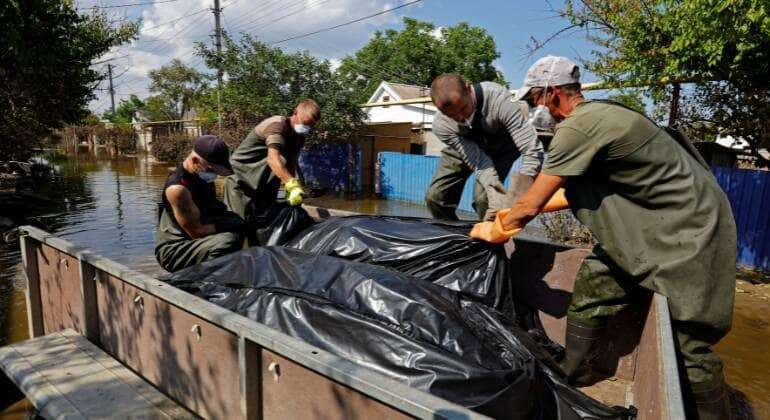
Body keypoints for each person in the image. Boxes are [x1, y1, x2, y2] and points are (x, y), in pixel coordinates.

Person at [471, 56, 737, 420]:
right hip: (647, 223)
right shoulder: (593, 118)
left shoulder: (578, 129)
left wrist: (496, 228)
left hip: (689, 226)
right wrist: (511, 214)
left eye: (534, 99)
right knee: (595, 279)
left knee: (687, 339)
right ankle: (577, 371)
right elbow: (563, 194)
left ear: (551, 94)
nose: (533, 108)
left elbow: (532, 204)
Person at [426, 74, 544, 221]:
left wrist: (519, 196)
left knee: (484, 199)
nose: (461, 117)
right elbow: (478, 160)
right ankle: (455, 237)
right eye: (453, 115)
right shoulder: (442, 125)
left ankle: (493, 238)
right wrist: (490, 183)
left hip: (502, 143)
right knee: (435, 197)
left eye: (463, 108)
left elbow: (531, 148)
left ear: (469, 89)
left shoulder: (498, 99)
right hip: (465, 144)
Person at [155, 135, 246, 272]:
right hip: (175, 249)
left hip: (197, 240)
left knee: (240, 225)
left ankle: (224, 273)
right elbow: (196, 232)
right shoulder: (178, 189)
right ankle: (203, 282)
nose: (214, 175)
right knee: (228, 241)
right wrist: (228, 224)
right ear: (195, 160)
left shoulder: (201, 176)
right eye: (211, 170)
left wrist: (239, 222)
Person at [224, 99, 320, 222]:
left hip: (263, 183)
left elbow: (290, 163)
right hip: (241, 179)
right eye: (304, 123)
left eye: (310, 126)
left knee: (263, 223)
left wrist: (291, 190)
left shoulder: (298, 138)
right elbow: (273, 158)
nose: (306, 128)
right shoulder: (276, 125)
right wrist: (291, 184)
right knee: (238, 224)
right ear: (295, 112)